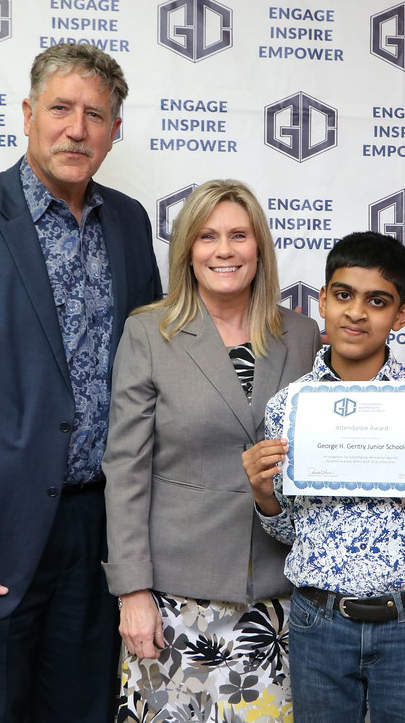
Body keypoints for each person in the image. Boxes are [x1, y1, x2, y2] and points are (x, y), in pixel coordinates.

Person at [0, 43, 162, 722]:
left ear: (114, 131)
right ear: (27, 114)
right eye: (61, 109)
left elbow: (146, 379)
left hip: (96, 534)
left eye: (96, 116)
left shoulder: (131, 224)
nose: (77, 129)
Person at [103, 179, 321, 722]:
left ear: (259, 247)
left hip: (276, 602)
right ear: (187, 252)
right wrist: (132, 592)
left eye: (238, 235)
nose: (224, 250)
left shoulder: (302, 335)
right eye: (207, 237)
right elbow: (126, 469)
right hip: (173, 603)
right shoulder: (149, 333)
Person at [242, 231, 405, 723]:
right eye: (344, 295)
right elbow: (289, 532)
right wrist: (264, 496)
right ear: (322, 301)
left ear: (403, 314)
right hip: (319, 621)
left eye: (377, 301)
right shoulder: (290, 406)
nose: (356, 312)